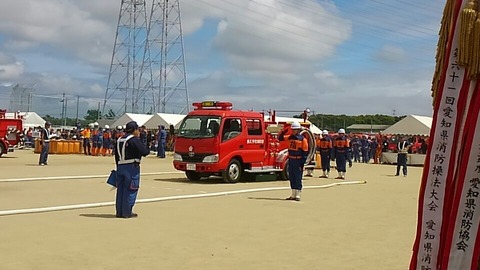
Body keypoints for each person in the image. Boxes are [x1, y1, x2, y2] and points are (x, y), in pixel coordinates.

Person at [114, 121, 150, 218]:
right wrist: (144, 139)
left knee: (120, 191)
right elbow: (144, 152)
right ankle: (127, 212)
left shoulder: (119, 139)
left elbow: (116, 156)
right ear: (135, 130)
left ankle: (119, 212)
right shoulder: (134, 140)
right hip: (131, 167)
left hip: (120, 166)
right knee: (131, 189)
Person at [278, 122, 308, 201]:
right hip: (291, 159)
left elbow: (305, 152)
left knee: (298, 177)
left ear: (298, 130)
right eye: (292, 129)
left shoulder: (303, 139)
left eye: (295, 129)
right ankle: (293, 194)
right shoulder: (290, 137)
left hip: (298, 160)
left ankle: (298, 194)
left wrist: (302, 163)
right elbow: (280, 138)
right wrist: (283, 132)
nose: (293, 131)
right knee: (292, 177)